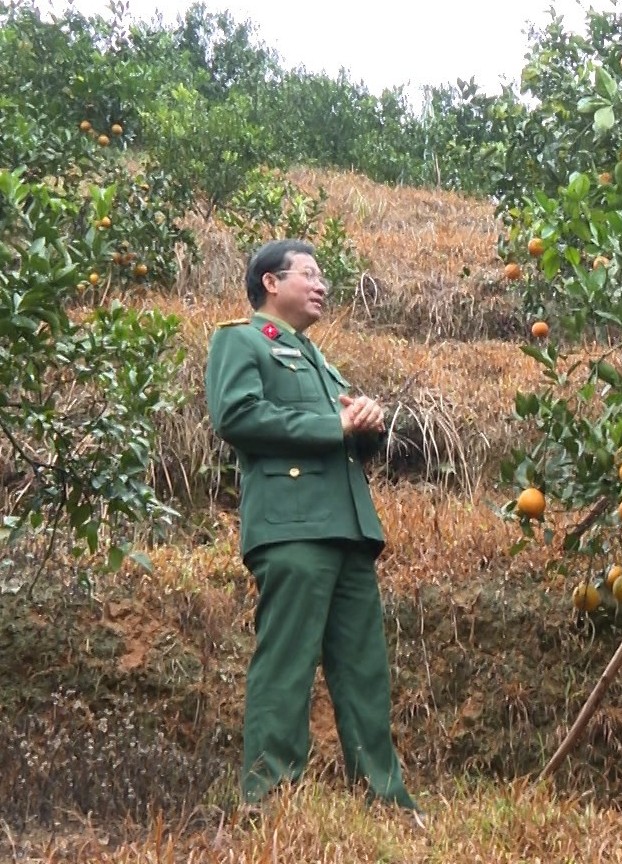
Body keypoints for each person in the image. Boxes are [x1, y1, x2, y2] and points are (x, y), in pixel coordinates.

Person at [205, 238, 419, 819]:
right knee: (287, 663)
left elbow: (342, 434)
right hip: (292, 527)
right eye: (309, 274)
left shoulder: (319, 359)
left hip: (347, 529)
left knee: (364, 671)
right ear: (271, 283)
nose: (322, 285)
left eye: (323, 276)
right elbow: (237, 416)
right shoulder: (241, 340)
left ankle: (384, 798)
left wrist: (367, 425)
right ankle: (270, 800)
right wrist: (335, 422)